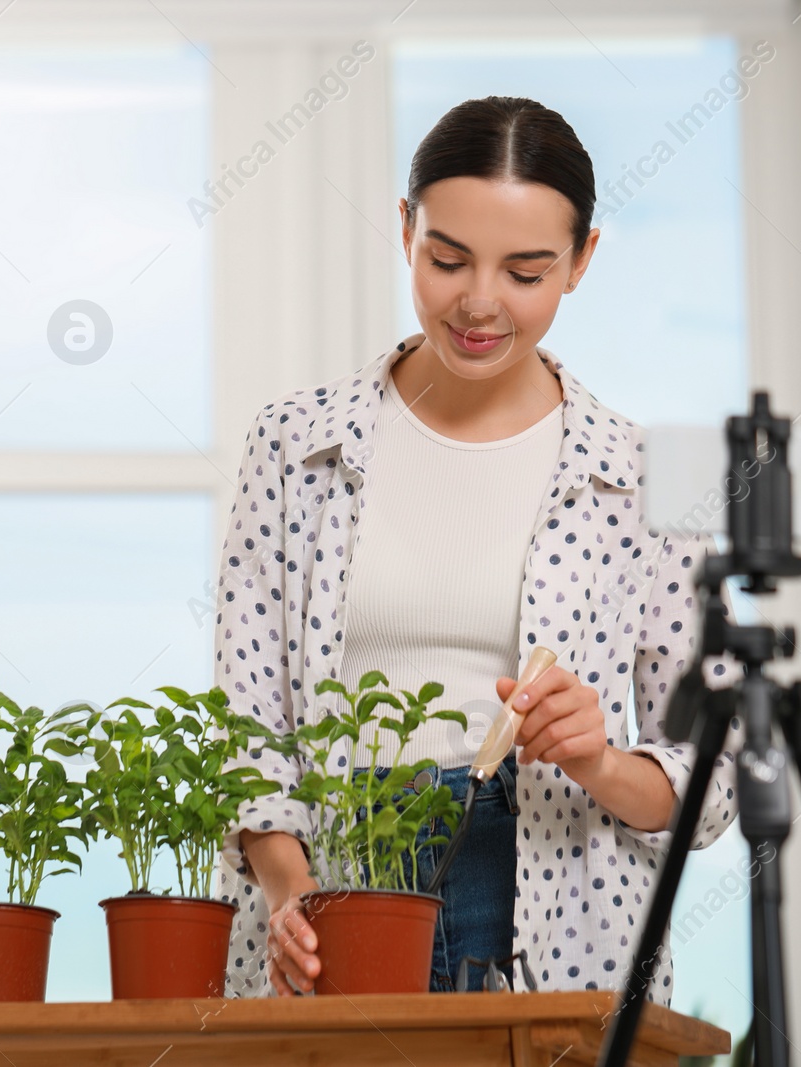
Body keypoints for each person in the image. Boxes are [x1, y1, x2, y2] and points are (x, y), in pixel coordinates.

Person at [212, 96, 743, 999]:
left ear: (582, 261)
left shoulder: (641, 477)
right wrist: (290, 893)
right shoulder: (296, 444)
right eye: (446, 259)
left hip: (545, 880)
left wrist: (599, 757)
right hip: (334, 871)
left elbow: (713, 783)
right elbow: (248, 721)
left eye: (527, 272)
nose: (479, 303)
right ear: (405, 229)